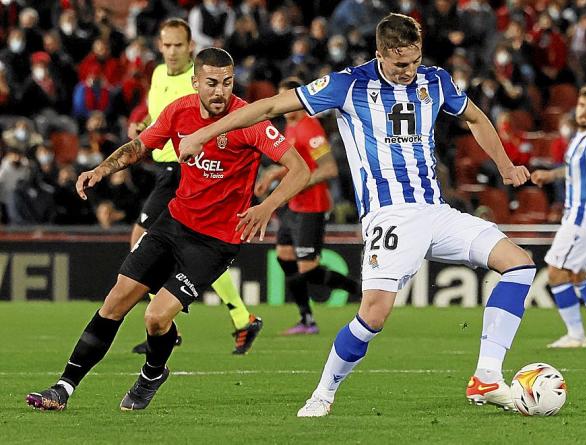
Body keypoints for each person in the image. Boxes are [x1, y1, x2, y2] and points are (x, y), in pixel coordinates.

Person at [180, 14, 535, 416]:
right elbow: (271, 106)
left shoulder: (434, 80)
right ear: (380, 53)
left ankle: (486, 376)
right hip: (389, 215)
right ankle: (323, 393)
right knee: (374, 314)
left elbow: (475, 117)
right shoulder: (348, 84)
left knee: (519, 264)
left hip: (436, 211)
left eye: (414, 60)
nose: (408, 71)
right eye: (400, 63)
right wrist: (202, 134)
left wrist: (505, 166)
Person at [25, 47, 309, 412]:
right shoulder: (180, 110)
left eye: (227, 82)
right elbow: (140, 147)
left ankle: (152, 373)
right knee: (115, 300)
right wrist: (100, 171)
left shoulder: (249, 119)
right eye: (211, 83)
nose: (220, 91)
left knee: (156, 318)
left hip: (216, 241)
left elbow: (299, 168)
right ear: (195, 83)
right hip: (173, 223)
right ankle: (63, 387)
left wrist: (267, 206)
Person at [128, 18, 263, 355]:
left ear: (190, 46)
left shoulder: (202, 84)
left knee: (141, 241)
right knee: (187, 251)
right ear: (159, 46)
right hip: (162, 168)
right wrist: (143, 124)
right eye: (166, 44)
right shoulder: (159, 75)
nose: (172, 51)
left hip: (186, 170)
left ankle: (165, 326)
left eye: (178, 45)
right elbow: (160, 116)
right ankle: (240, 316)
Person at [254, 77, 360, 335]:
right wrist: (272, 175)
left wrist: (297, 184)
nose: (283, 104)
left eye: (287, 98)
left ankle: (361, 291)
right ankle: (306, 319)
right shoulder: (290, 126)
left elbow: (329, 168)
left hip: (311, 206)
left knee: (309, 270)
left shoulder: (309, 128)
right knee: (284, 257)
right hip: (293, 207)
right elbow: (295, 163)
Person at [531, 87, 586, 349]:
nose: (584, 111)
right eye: (582, 105)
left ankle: (576, 334)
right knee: (576, 273)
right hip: (580, 216)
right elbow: (576, 169)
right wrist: (551, 175)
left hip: (584, 217)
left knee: (555, 273)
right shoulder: (582, 136)